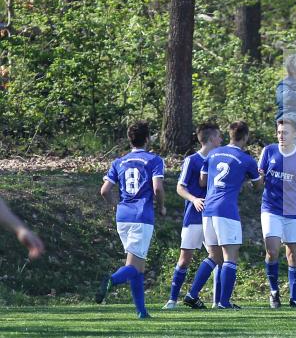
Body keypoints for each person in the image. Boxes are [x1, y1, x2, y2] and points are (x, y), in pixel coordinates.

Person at [183, 121, 262, 310]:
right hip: (226, 210)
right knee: (230, 257)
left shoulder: (212, 154)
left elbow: (202, 181)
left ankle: (191, 294)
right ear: (246, 137)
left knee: (214, 255)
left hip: (207, 209)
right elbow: (259, 186)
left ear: (230, 135)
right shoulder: (246, 159)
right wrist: (251, 176)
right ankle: (224, 303)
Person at [95, 122, 165, 319]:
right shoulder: (154, 160)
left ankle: (142, 312)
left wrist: (116, 206)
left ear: (129, 139)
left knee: (137, 267)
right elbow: (158, 188)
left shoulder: (119, 162)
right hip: (141, 216)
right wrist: (161, 207)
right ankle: (112, 280)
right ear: (148, 138)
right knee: (134, 267)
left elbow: (104, 191)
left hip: (123, 216)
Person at [258, 119, 296, 309]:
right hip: (271, 209)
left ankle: (294, 298)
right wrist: (256, 178)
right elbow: (260, 177)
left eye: (285, 132)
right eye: (279, 132)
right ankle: (274, 292)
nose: (281, 135)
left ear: (295, 135)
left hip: (293, 210)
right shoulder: (269, 151)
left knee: (293, 254)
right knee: (272, 250)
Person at [164, 122, 222, 309]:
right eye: (219, 136)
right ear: (212, 139)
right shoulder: (192, 160)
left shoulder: (220, 160)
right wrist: (194, 199)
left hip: (212, 216)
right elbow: (180, 187)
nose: (221, 140)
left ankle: (216, 301)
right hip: (194, 215)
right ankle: (172, 300)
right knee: (184, 259)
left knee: (218, 257)